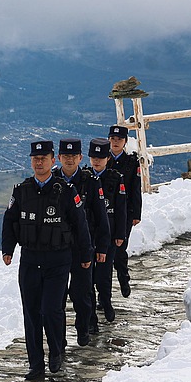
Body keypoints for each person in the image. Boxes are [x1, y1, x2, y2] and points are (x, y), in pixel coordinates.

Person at [2, 140, 92, 380]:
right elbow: (10, 220)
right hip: (30, 261)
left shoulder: (65, 191)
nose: (39, 162)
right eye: (35, 159)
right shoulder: (22, 190)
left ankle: (56, 351)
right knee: (31, 314)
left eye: (44, 158)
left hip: (58, 260)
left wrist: (85, 255)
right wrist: (7, 249)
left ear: (53, 161)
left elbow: (80, 225)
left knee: (51, 309)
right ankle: (36, 364)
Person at [55, 138, 110, 345]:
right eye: (65, 156)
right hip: (57, 247)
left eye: (73, 156)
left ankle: (83, 328)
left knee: (82, 293)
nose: (69, 160)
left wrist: (102, 246)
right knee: (58, 296)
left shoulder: (91, 182)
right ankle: (59, 341)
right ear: (59, 158)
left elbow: (101, 216)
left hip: (83, 246)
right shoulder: (52, 181)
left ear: (80, 158)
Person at [87, 138, 127, 327]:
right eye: (94, 157)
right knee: (88, 275)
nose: (97, 161)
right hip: (88, 233)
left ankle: (106, 301)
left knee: (104, 273)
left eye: (101, 157)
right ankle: (91, 313)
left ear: (107, 158)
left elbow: (121, 209)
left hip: (108, 233)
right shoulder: (85, 178)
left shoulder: (115, 178)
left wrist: (120, 234)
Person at [108, 125, 142, 297]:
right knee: (104, 251)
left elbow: (136, 187)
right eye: (113, 139)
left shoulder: (131, 162)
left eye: (119, 140)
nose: (115, 143)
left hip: (125, 212)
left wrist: (137, 213)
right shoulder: (103, 159)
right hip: (105, 212)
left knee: (120, 249)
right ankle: (104, 292)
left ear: (125, 142)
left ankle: (123, 278)